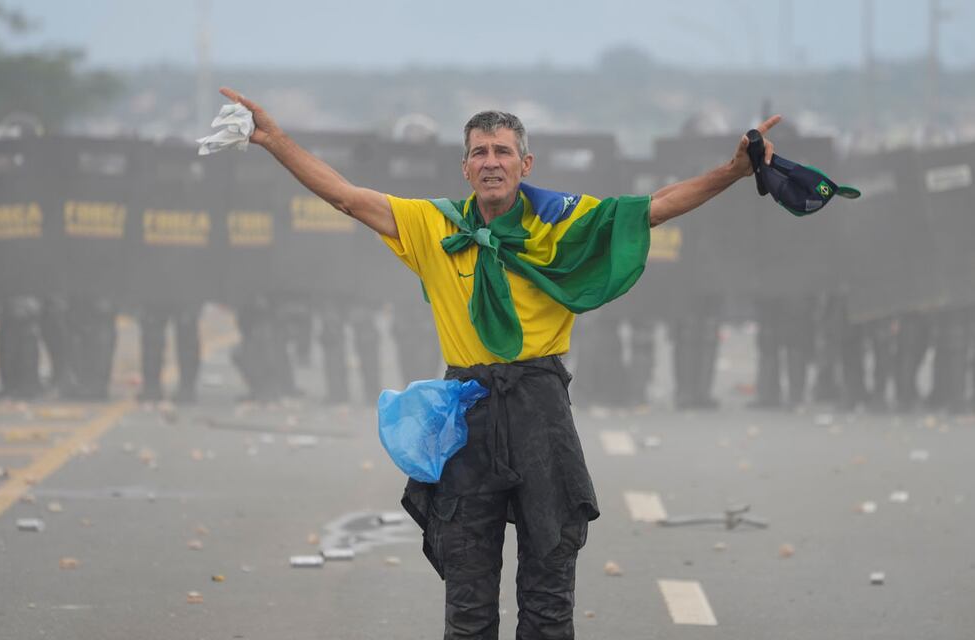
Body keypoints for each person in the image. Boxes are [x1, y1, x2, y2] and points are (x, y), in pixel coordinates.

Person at [219, 86, 779, 639]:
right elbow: (346, 196)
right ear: (465, 167)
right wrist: (275, 140)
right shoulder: (434, 225)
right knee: (468, 598)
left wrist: (732, 171)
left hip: (540, 409)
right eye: (480, 153)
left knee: (549, 593)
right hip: (467, 414)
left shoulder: (560, 220)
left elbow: (655, 207)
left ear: (524, 164)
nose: (491, 162)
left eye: (503, 151)